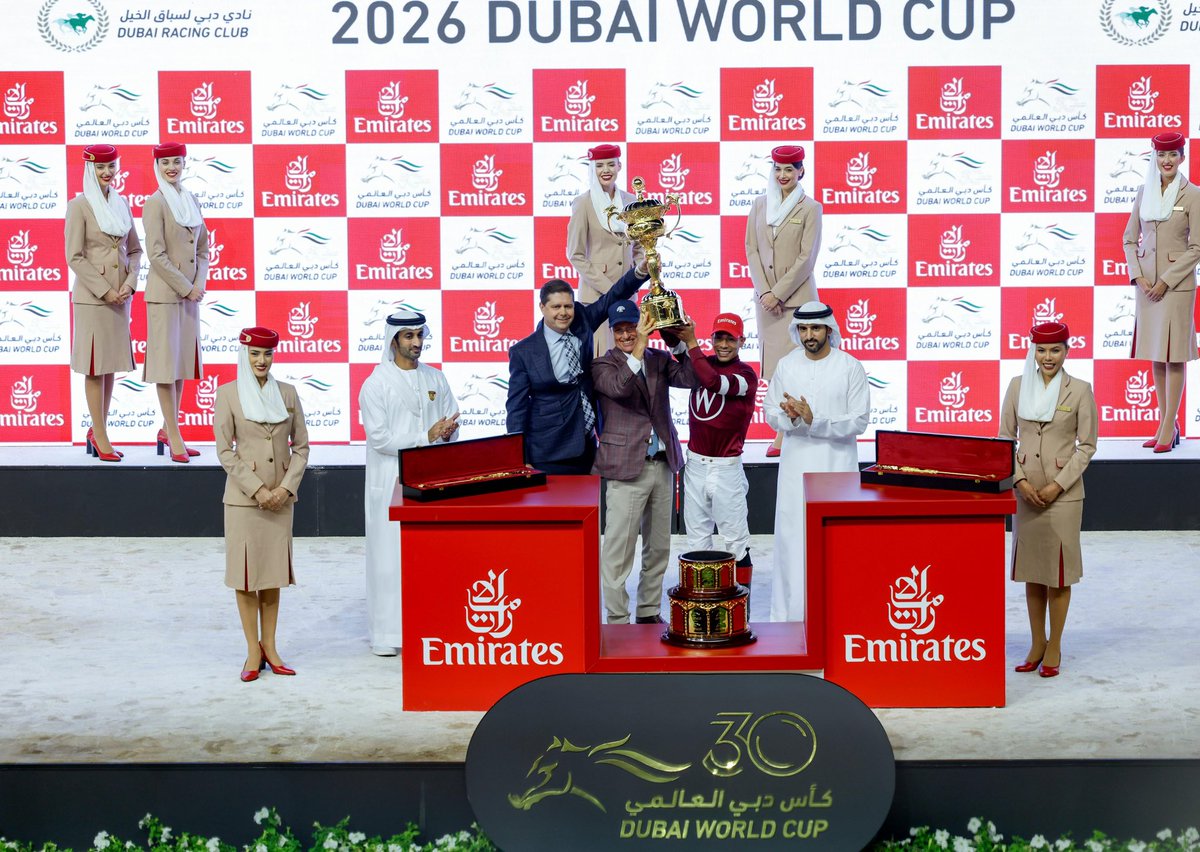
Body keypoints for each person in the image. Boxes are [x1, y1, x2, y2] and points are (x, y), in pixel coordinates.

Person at [359, 310, 459, 657]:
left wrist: (448, 432)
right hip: (390, 479)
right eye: (408, 337)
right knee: (388, 558)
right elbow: (380, 439)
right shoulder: (376, 384)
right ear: (393, 341)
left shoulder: (436, 377)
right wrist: (425, 436)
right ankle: (386, 633)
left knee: (430, 556)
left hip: (432, 479)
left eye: (419, 335)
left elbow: (450, 418)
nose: (416, 343)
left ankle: (429, 627)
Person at [999, 322, 1097, 678]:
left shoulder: (1080, 391)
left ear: (1067, 351)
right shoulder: (1016, 386)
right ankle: (1036, 642)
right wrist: (1020, 481)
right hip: (1026, 495)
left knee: (1058, 574)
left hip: (1063, 497)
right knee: (1033, 573)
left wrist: (1058, 486)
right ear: (1032, 351)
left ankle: (1054, 644)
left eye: (1055, 350)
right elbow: (1003, 440)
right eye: (1041, 350)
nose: (1048, 357)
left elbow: (1087, 446)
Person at [214, 327, 310, 682]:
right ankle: (252, 651)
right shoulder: (228, 395)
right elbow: (225, 451)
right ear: (244, 354)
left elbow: (301, 447)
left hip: (281, 500)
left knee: (271, 576)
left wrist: (285, 488)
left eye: (267, 354)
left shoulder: (287, 393)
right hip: (244, 501)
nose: (262, 361)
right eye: (255, 354)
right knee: (245, 576)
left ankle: (270, 646)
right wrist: (257, 490)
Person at [592, 301, 698, 624]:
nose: (627, 335)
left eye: (632, 327)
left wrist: (684, 341)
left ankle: (649, 611)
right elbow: (620, 388)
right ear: (612, 333)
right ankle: (618, 617)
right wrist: (639, 347)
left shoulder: (659, 359)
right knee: (618, 551)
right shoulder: (602, 365)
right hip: (626, 469)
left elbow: (693, 377)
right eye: (621, 330)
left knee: (658, 548)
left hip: (662, 464)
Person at [763, 302, 869, 623]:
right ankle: (791, 618)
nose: (809, 335)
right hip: (796, 472)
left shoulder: (850, 367)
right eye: (804, 329)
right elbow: (770, 411)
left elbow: (859, 421)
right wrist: (791, 417)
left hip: (837, 471)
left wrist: (815, 419)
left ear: (829, 330)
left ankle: (840, 618)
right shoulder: (786, 365)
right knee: (793, 540)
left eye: (816, 329)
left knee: (835, 543)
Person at [506, 263, 648, 475]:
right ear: (542, 308)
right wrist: (519, 457)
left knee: (589, 507)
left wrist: (640, 273)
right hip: (546, 452)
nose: (563, 313)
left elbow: (612, 296)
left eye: (568, 306)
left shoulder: (582, 321)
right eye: (556, 307)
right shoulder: (523, 352)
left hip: (587, 445)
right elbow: (516, 408)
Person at [1122, 130, 1200, 453]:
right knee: (1156, 353)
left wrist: (1166, 280)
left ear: (1182, 157)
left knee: (1174, 354)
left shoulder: (1193, 194)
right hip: (1146, 287)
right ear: (1155, 158)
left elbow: (1196, 247)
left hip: (1176, 287)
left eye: (1173, 155)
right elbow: (1129, 239)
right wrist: (1138, 276)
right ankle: (1166, 421)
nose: (1166, 161)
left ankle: (1168, 425)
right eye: (1161, 155)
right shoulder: (1144, 192)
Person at [66, 143, 142, 463]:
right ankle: (100, 434)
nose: (107, 173)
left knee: (110, 367)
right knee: (95, 368)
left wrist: (129, 284)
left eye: (111, 166)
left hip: (120, 298)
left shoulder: (122, 203)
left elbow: (135, 251)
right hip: (93, 299)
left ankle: (98, 430)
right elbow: (75, 256)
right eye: (100, 167)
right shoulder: (79, 206)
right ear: (89, 169)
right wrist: (104, 290)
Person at [745, 144, 823, 458]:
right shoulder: (760, 204)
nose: (782, 175)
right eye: (778, 169)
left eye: (789, 169)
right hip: (767, 305)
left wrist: (778, 293)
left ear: (801, 171)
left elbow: (808, 258)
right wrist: (765, 292)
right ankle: (782, 424)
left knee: (800, 369)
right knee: (776, 371)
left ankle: (787, 434)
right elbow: (751, 250)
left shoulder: (810, 208)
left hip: (797, 302)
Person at [142, 141, 209, 463]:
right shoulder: (155, 203)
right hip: (166, 296)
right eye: (166, 162)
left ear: (184, 163)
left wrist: (199, 283)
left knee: (181, 366)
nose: (172, 167)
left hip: (189, 297)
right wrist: (186, 287)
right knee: (166, 368)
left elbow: (203, 249)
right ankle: (174, 434)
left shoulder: (190, 199)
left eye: (177, 162)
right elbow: (155, 254)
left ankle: (169, 429)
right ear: (157, 165)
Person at [682, 313, 759, 587]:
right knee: (697, 540)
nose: (724, 344)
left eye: (730, 338)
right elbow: (679, 351)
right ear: (711, 338)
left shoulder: (747, 374)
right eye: (719, 337)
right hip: (695, 466)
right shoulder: (701, 363)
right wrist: (674, 325)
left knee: (736, 541)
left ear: (741, 341)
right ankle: (701, 603)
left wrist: (691, 343)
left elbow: (714, 383)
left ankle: (742, 610)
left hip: (727, 469)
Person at [567, 142, 640, 356]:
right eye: (599, 166)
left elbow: (639, 246)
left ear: (620, 166)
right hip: (596, 298)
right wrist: (612, 289)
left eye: (611, 164)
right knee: (600, 361)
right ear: (592, 168)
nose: (605, 170)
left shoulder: (631, 201)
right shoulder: (583, 203)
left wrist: (638, 275)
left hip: (628, 295)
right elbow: (576, 255)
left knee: (629, 359)